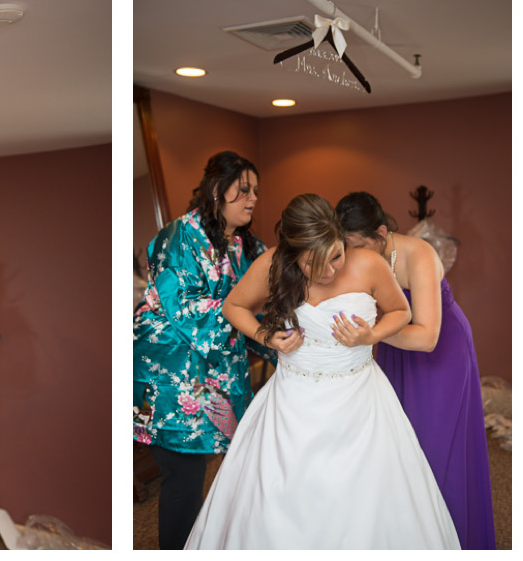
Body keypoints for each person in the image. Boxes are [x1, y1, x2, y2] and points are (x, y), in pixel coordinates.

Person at [186, 193, 458, 549]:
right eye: (316, 265)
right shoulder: (272, 264)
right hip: (292, 401)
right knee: (278, 499)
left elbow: (401, 312)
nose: (330, 272)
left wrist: (371, 334)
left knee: (369, 499)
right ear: (293, 256)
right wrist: (267, 336)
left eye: (336, 256)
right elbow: (233, 306)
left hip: (360, 399)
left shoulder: (369, 264)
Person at [335, 192, 495, 549]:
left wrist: (370, 334)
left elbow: (426, 337)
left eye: (360, 246)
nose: (354, 256)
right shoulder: (360, 256)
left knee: (437, 451)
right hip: (394, 352)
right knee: (399, 448)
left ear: (380, 233)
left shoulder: (419, 254)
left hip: (441, 355)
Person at [131, 151, 275, 549]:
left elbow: (267, 291)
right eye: (243, 190)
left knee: (207, 470)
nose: (252, 198)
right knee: (184, 477)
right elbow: (189, 310)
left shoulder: (245, 244)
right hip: (169, 372)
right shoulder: (177, 237)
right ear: (216, 190)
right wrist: (255, 323)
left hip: (212, 369)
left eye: (256, 191)